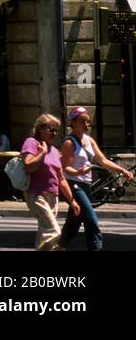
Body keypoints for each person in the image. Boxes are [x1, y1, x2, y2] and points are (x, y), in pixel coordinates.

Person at [59, 106, 131, 251]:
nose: (86, 125)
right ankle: (95, 247)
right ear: (73, 123)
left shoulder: (89, 140)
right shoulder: (69, 143)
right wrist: (78, 171)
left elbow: (103, 160)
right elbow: (65, 167)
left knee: (76, 217)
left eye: (88, 122)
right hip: (74, 184)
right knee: (91, 219)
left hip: (85, 184)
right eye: (83, 121)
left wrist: (122, 170)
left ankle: (61, 246)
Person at [22, 113, 79, 250]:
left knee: (44, 232)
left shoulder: (54, 150)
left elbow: (61, 178)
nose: (53, 133)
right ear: (39, 129)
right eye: (50, 129)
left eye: (56, 130)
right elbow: (28, 165)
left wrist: (72, 201)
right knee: (54, 231)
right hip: (36, 194)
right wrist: (42, 153)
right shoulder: (32, 143)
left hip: (53, 196)